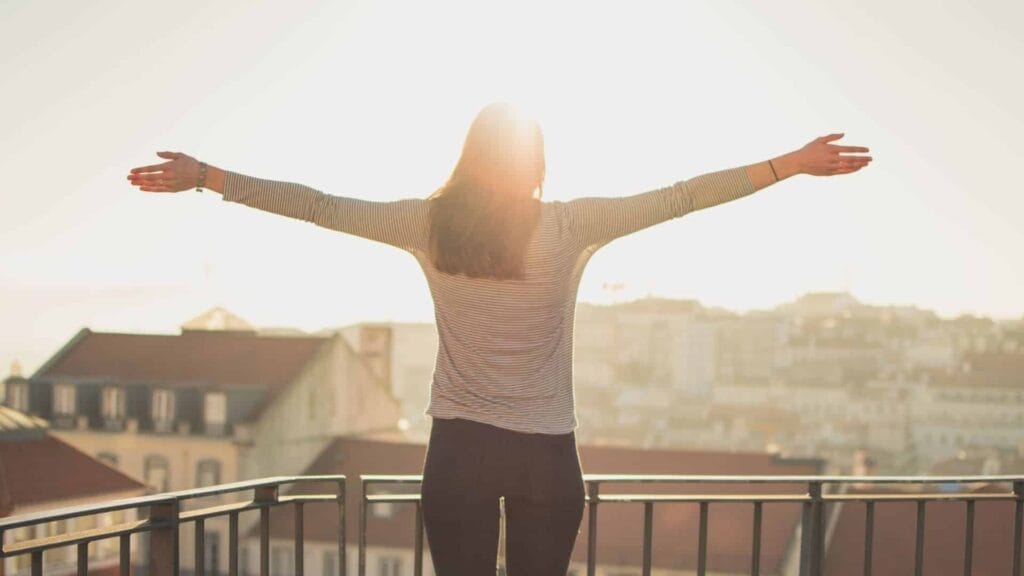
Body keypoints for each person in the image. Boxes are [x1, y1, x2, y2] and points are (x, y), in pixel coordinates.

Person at [127, 102, 871, 575]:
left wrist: (208, 177)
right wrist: (788, 166)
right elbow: (679, 199)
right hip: (548, 455)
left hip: (459, 453)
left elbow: (320, 207)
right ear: (536, 163)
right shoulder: (571, 225)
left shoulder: (427, 223)